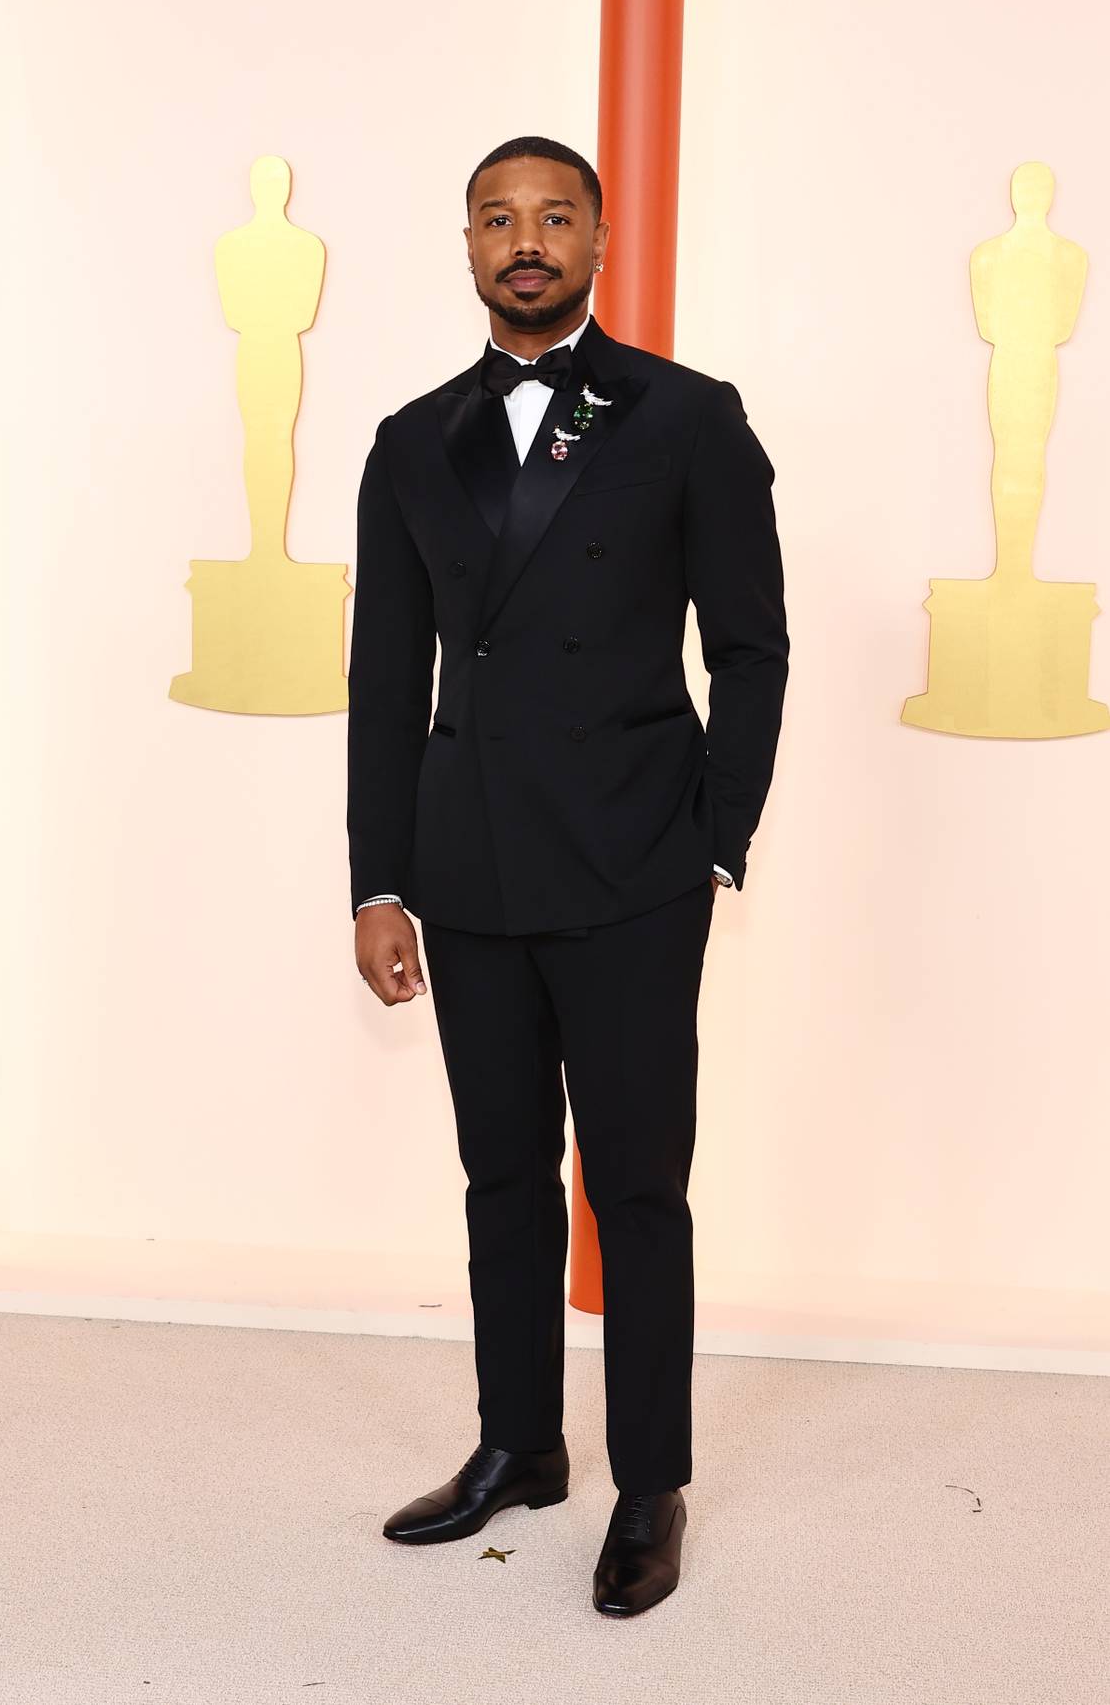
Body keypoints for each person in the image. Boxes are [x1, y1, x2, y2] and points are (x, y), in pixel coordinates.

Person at [346, 134, 789, 1616]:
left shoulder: (684, 415)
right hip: (467, 869)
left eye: (554, 217)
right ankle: (520, 1444)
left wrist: (711, 840)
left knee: (638, 1185)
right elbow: (383, 679)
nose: (524, 241)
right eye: (497, 219)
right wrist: (378, 880)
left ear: (601, 238)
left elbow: (750, 646)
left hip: (632, 868)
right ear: (465, 244)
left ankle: (648, 1480)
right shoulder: (411, 440)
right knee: (498, 1180)